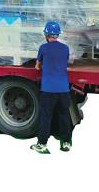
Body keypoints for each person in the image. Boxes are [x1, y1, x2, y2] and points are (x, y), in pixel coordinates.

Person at [30, 21, 73, 154]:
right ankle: (66, 142)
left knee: (46, 117)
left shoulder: (43, 48)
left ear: (46, 34)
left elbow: (37, 66)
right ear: (58, 34)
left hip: (48, 89)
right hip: (63, 89)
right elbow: (64, 62)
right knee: (64, 116)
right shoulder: (65, 48)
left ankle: (42, 144)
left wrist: (41, 65)